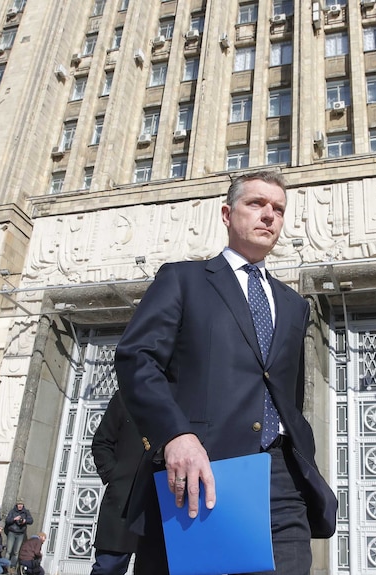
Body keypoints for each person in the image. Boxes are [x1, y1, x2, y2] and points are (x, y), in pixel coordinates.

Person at [116, 171, 338, 575]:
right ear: (226, 213)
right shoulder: (183, 280)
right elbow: (136, 358)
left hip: (282, 479)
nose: (269, 216)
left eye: (278, 209)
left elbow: (286, 391)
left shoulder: (293, 304)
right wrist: (174, 435)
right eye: (256, 204)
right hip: (205, 471)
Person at [90, 393, 143, 575]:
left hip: (166, 503)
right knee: (108, 568)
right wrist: (115, 475)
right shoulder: (126, 396)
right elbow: (102, 442)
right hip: (123, 499)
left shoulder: (183, 395)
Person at [3, 498, 33, 567]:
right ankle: (5, 565)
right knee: (8, 550)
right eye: (19, 504)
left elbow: (31, 520)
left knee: (16, 552)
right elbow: (7, 521)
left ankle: (12, 566)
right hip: (12, 532)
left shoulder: (26, 512)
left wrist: (25, 521)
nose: (20, 506)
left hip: (20, 533)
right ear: (16, 504)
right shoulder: (12, 511)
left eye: (21, 504)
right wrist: (14, 519)